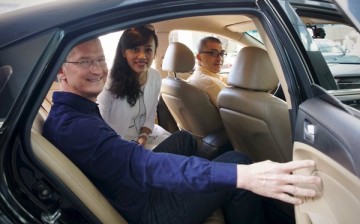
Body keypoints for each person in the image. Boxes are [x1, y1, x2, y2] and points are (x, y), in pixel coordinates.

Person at [43, 37, 321, 224]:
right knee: (238, 162)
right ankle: (225, 187)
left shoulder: (74, 110)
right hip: (146, 208)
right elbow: (143, 166)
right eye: (84, 62)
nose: (97, 69)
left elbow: (126, 159)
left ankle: (202, 183)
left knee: (185, 140)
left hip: (128, 187)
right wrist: (243, 176)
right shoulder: (74, 126)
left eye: (101, 60)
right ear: (61, 72)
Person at [97, 25, 170, 149]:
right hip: (119, 146)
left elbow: (151, 113)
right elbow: (99, 123)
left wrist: (144, 135)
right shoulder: (109, 81)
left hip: (142, 140)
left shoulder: (155, 77)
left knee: (185, 139)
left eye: (148, 50)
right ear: (124, 52)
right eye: (135, 49)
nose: (142, 56)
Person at [187, 36, 228, 107]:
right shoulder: (210, 83)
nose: (220, 58)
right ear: (199, 57)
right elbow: (239, 109)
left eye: (221, 53)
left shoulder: (195, 77)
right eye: (213, 53)